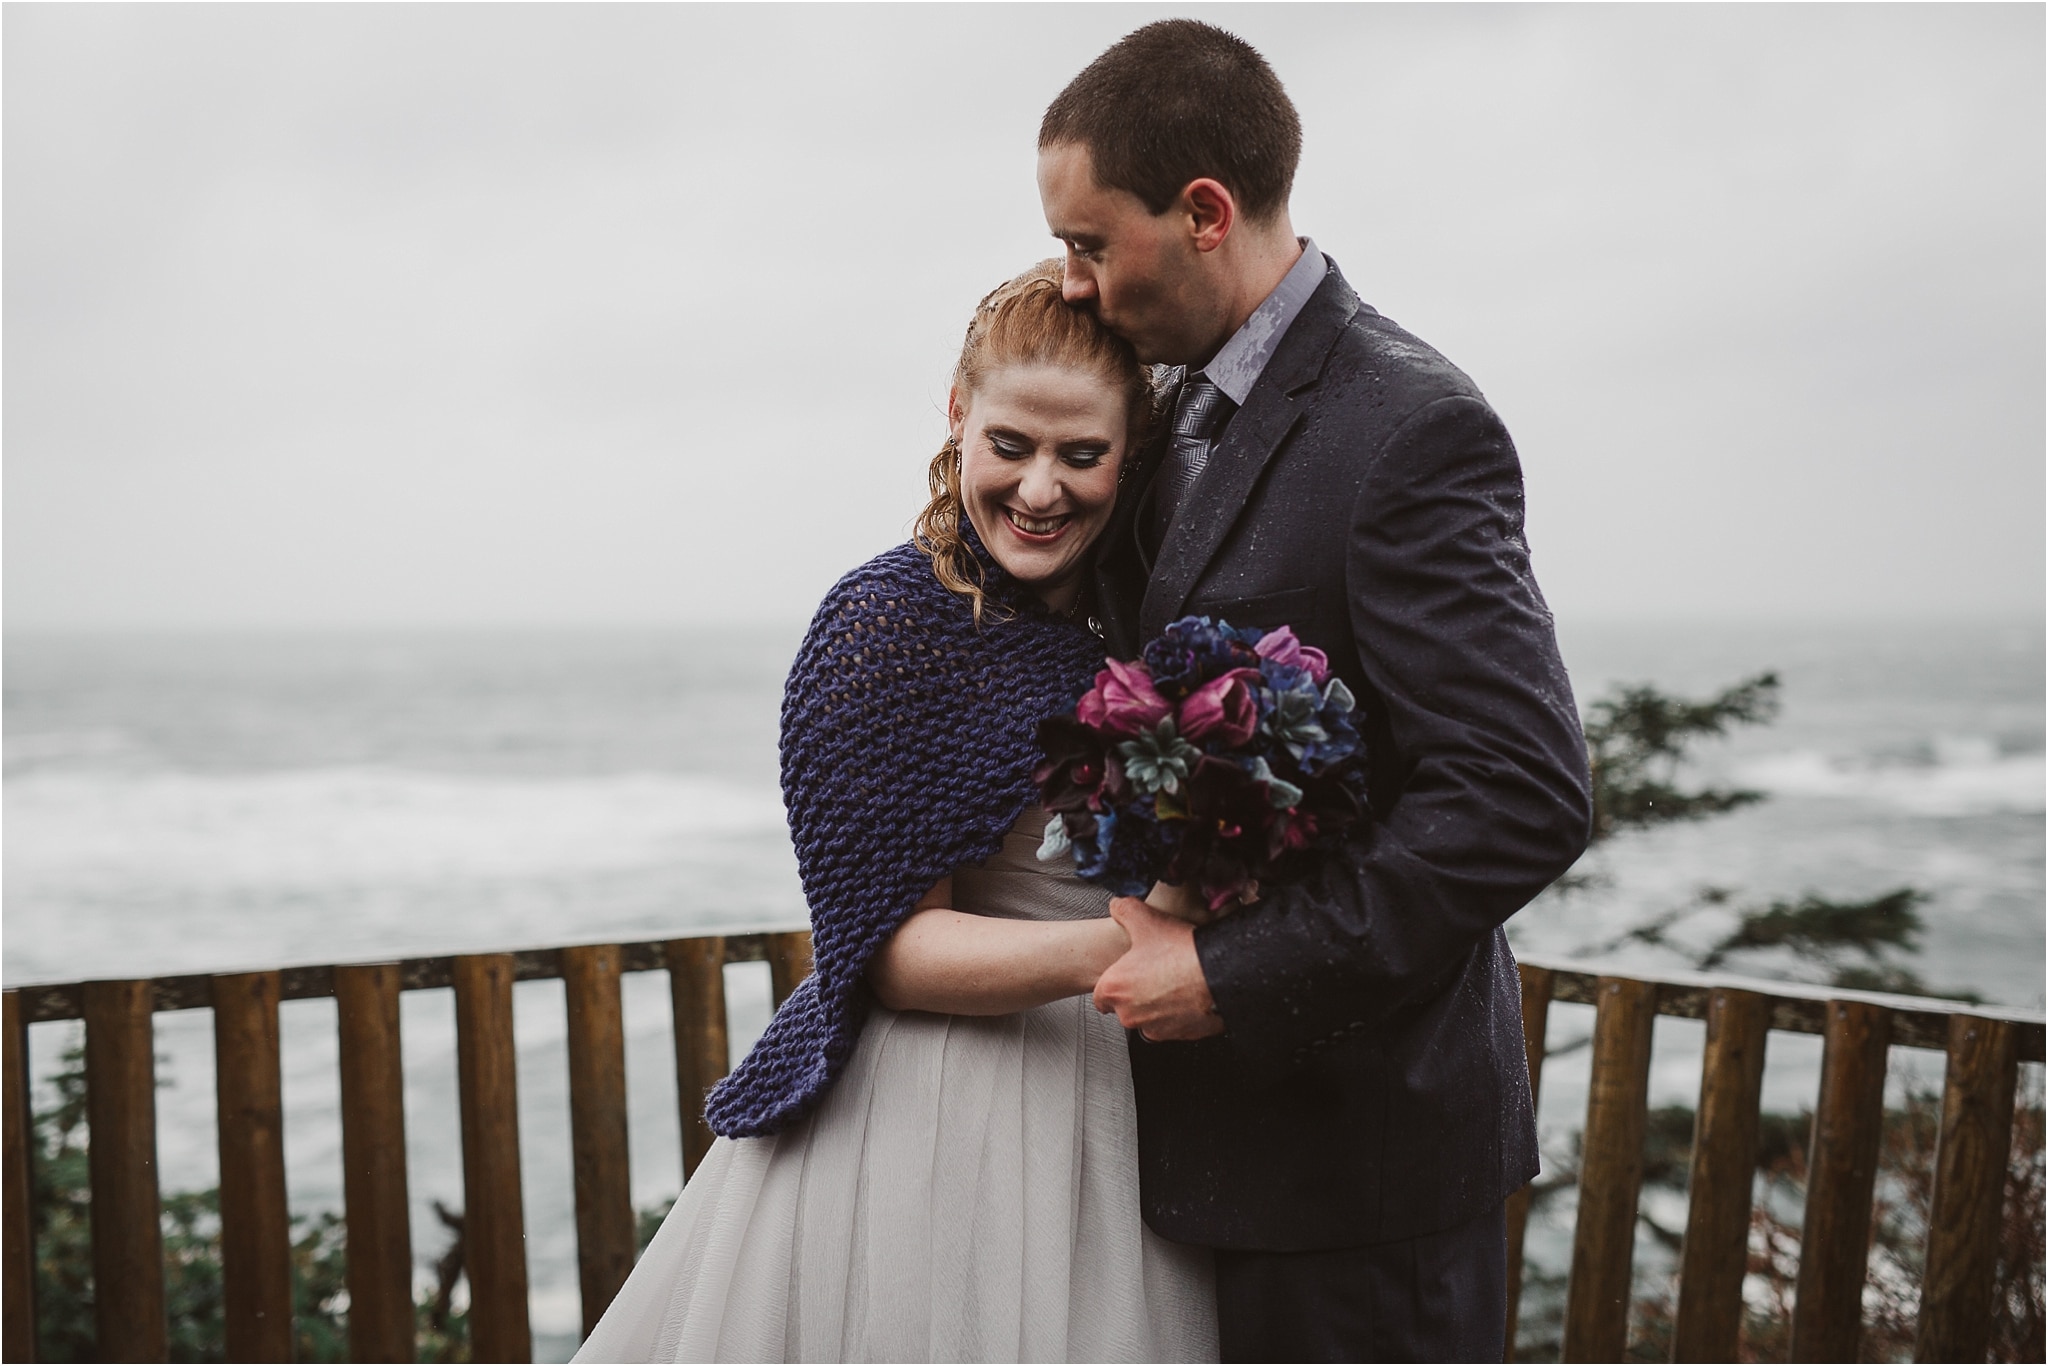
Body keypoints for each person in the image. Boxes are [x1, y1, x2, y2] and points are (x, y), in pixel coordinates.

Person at [1035, 20, 1595, 1363]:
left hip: (1358, 1185)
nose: (1073, 283)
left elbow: (1518, 792)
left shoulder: (1408, 426)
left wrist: (1231, 972)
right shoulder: (1158, 405)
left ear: (1206, 213)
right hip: (1185, 1170)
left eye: (1092, 243)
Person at [572, 262, 1217, 1363]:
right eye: (1010, 444)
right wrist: (1137, 947)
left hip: (1112, 1119)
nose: (1039, 489)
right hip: (933, 1126)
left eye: (1081, 454)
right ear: (958, 416)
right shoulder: (882, 624)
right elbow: (888, 952)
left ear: (1133, 453)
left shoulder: (1152, 622)